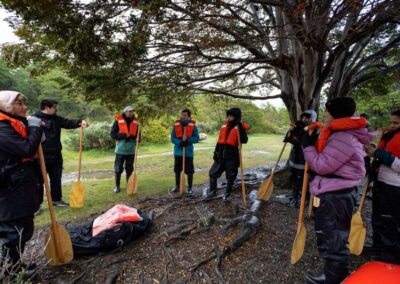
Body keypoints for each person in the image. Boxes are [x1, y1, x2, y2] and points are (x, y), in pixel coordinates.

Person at [301, 97, 374, 284]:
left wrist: (307, 145)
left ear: (335, 113)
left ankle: (333, 279)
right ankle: (333, 274)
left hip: (335, 194)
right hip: (337, 191)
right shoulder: (341, 134)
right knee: (333, 233)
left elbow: (321, 165)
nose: (324, 114)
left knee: (332, 235)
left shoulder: (343, 137)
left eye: (327, 111)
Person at [0, 90, 43, 276]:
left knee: (23, 227)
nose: (24, 107)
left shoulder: (14, 123)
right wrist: (34, 128)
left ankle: (15, 265)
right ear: (6, 105)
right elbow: (25, 149)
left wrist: (35, 129)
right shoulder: (1, 127)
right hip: (9, 188)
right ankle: (9, 270)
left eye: (24, 103)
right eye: (19, 103)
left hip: (21, 184)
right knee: (13, 231)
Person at [33, 99, 88, 207]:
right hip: (40, 155)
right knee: (38, 181)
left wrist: (81, 121)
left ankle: (56, 200)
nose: (56, 109)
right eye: (54, 107)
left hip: (56, 154)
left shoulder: (56, 119)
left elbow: (68, 123)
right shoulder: (34, 118)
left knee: (56, 179)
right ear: (47, 108)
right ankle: (36, 205)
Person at [365, 109, 400, 265]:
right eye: (391, 122)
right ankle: (378, 250)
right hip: (381, 184)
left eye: (396, 123)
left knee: (389, 223)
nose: (391, 125)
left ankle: (390, 258)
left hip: (394, 188)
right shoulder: (390, 136)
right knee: (377, 219)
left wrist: (379, 153)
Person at [206, 108, 250, 201]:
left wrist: (241, 129)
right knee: (213, 173)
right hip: (220, 154)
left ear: (236, 117)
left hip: (232, 156)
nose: (229, 117)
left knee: (231, 176)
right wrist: (215, 153)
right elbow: (219, 141)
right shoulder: (224, 126)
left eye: (231, 116)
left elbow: (244, 140)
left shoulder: (239, 127)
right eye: (228, 116)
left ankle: (227, 193)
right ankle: (212, 191)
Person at [284, 110, 318, 207]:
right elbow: (290, 137)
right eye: (303, 117)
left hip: (304, 159)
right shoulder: (299, 127)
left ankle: (300, 198)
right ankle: (295, 195)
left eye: (307, 117)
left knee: (301, 179)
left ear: (311, 118)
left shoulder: (313, 129)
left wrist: (295, 140)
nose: (304, 119)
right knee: (294, 177)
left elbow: (306, 144)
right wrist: (291, 133)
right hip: (295, 157)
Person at [170, 109, 200, 196]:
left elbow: (196, 139)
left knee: (189, 171)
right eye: (182, 115)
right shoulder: (176, 125)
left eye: (185, 115)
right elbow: (172, 138)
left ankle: (190, 187)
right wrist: (180, 142)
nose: (183, 116)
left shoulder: (193, 126)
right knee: (177, 170)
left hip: (188, 153)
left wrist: (187, 139)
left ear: (189, 116)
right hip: (178, 152)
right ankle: (177, 186)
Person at [110, 106, 139, 193]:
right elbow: (112, 134)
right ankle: (117, 186)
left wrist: (139, 138)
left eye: (132, 111)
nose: (131, 113)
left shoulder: (136, 122)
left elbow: (138, 134)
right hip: (120, 150)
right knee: (118, 168)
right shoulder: (118, 121)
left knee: (130, 168)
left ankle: (129, 184)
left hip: (131, 150)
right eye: (129, 111)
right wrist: (123, 135)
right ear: (125, 112)